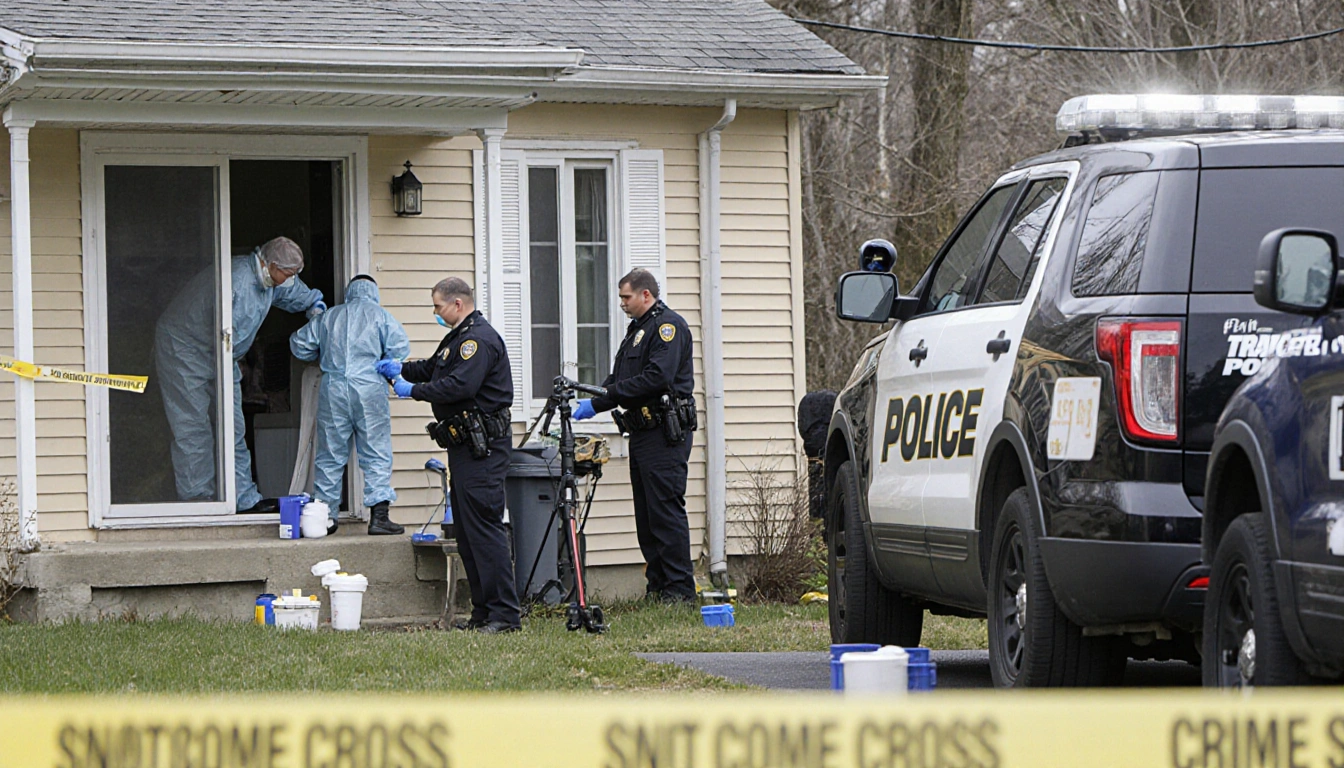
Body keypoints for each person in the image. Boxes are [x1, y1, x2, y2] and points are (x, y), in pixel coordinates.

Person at [378, 277, 521, 633]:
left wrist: (414, 391)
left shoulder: (478, 340)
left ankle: (505, 616)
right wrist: (401, 368)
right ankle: (483, 613)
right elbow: (435, 367)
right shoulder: (458, 337)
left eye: (438, 306)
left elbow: (461, 385)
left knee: (485, 531)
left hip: (483, 449)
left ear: (458, 304)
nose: (435, 313)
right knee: (469, 534)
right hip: (466, 447)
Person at [155, 236, 325, 513]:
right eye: (288, 273)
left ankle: (243, 498)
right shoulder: (238, 282)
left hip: (220, 352)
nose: (289, 279)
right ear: (271, 264)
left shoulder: (269, 279)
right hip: (184, 348)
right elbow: (231, 337)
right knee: (192, 426)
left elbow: (297, 293)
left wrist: (315, 307)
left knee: (232, 427)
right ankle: (198, 499)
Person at [574, 268, 697, 603]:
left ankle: (680, 591)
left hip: (664, 431)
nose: (622, 304)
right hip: (642, 431)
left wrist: (601, 400)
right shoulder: (638, 330)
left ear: (646, 294)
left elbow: (657, 377)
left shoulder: (667, 327)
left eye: (626, 297)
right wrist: (595, 398)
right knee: (647, 515)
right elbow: (622, 377)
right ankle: (658, 586)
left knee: (665, 511)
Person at [290, 275, 410, 535]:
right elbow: (400, 348)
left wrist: (320, 351)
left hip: (333, 389)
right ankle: (379, 517)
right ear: (373, 292)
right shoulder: (380, 316)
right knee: (376, 450)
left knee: (330, 454)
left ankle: (326, 517)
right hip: (370, 389)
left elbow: (299, 345)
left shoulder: (329, 317)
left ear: (349, 293)